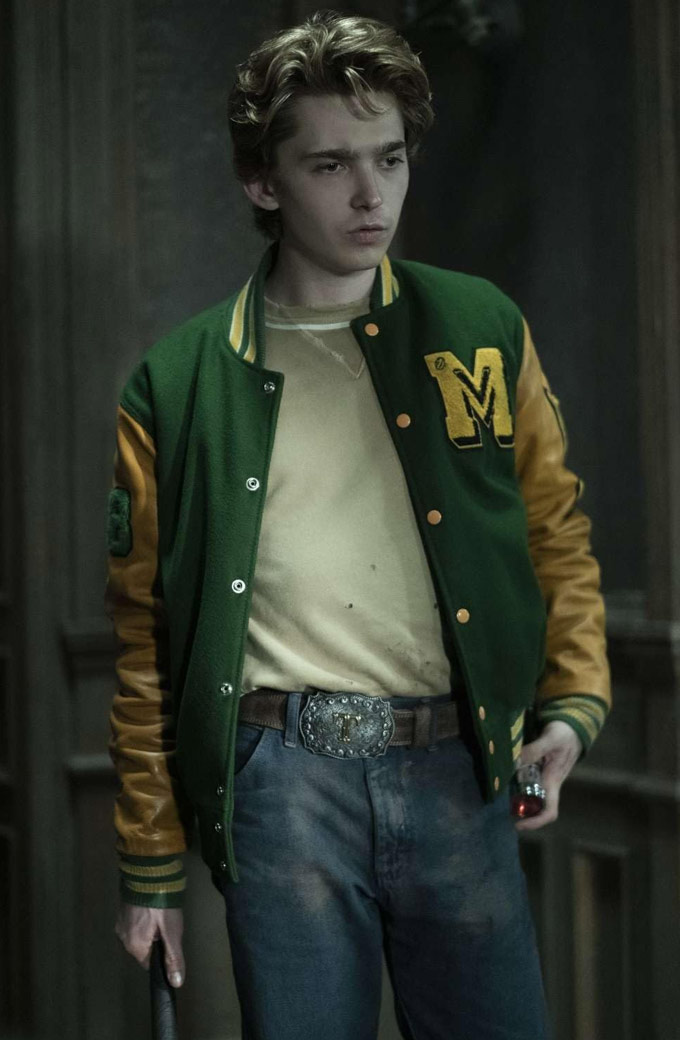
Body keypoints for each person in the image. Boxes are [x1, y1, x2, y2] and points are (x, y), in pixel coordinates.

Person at [107, 10, 610, 1039]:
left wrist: (570, 707)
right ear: (263, 182)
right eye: (331, 164)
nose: (371, 193)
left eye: (389, 158)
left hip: (460, 764)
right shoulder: (177, 382)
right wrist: (150, 868)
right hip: (280, 782)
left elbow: (553, 529)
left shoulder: (480, 327)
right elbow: (144, 642)